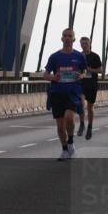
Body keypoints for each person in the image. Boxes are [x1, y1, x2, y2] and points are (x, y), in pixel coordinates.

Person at [43, 27, 86, 161]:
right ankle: (64, 150)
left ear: (73, 39)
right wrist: (53, 78)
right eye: (65, 36)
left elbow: (86, 72)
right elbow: (45, 74)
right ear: (62, 38)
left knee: (69, 118)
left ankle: (71, 142)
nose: (67, 38)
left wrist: (82, 76)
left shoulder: (79, 56)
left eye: (69, 36)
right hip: (57, 93)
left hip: (72, 93)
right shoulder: (55, 57)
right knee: (60, 127)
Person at [78, 36, 103, 140]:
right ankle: (82, 124)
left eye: (86, 44)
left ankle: (90, 127)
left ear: (90, 44)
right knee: (80, 103)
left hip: (92, 85)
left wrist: (90, 69)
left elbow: (100, 70)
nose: (84, 46)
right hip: (81, 84)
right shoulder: (78, 56)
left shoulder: (95, 56)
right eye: (82, 44)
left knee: (90, 108)